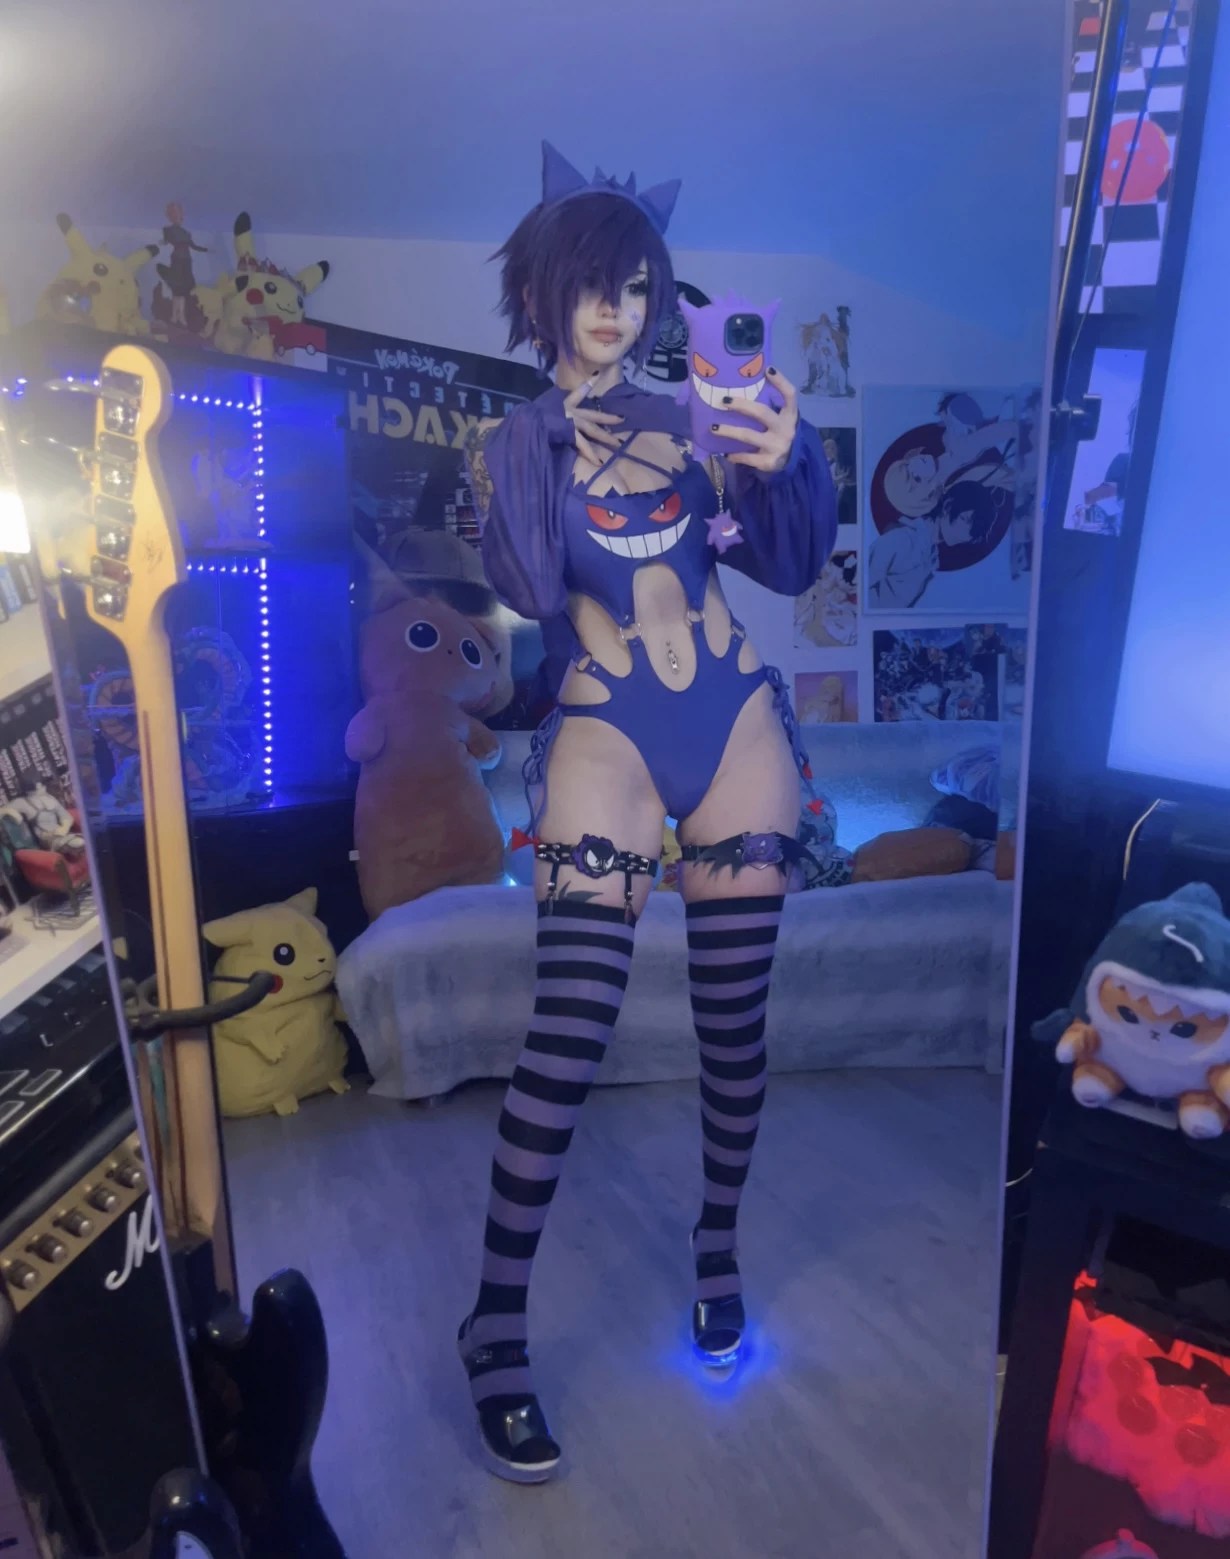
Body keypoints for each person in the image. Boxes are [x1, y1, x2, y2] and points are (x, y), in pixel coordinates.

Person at [458, 142, 837, 1484]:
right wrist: (549, 435)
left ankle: (715, 1258)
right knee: (566, 1038)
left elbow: (790, 562)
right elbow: (521, 582)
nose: (612, 311)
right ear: (540, 295)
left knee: (735, 1033)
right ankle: (494, 1326)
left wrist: (787, 458)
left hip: (735, 725)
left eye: (633, 287)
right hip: (605, 733)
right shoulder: (518, 439)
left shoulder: (702, 418)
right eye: (588, 286)